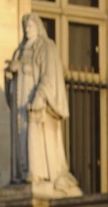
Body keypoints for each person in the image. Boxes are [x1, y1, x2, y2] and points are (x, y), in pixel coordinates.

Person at [5, 13, 80, 195]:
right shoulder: (19, 50)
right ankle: (24, 172)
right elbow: (11, 77)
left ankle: (37, 172)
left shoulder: (46, 47)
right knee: (22, 134)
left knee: (34, 134)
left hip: (35, 98)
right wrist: (10, 73)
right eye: (25, 27)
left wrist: (40, 95)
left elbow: (49, 74)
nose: (27, 29)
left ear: (38, 28)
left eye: (30, 26)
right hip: (21, 99)